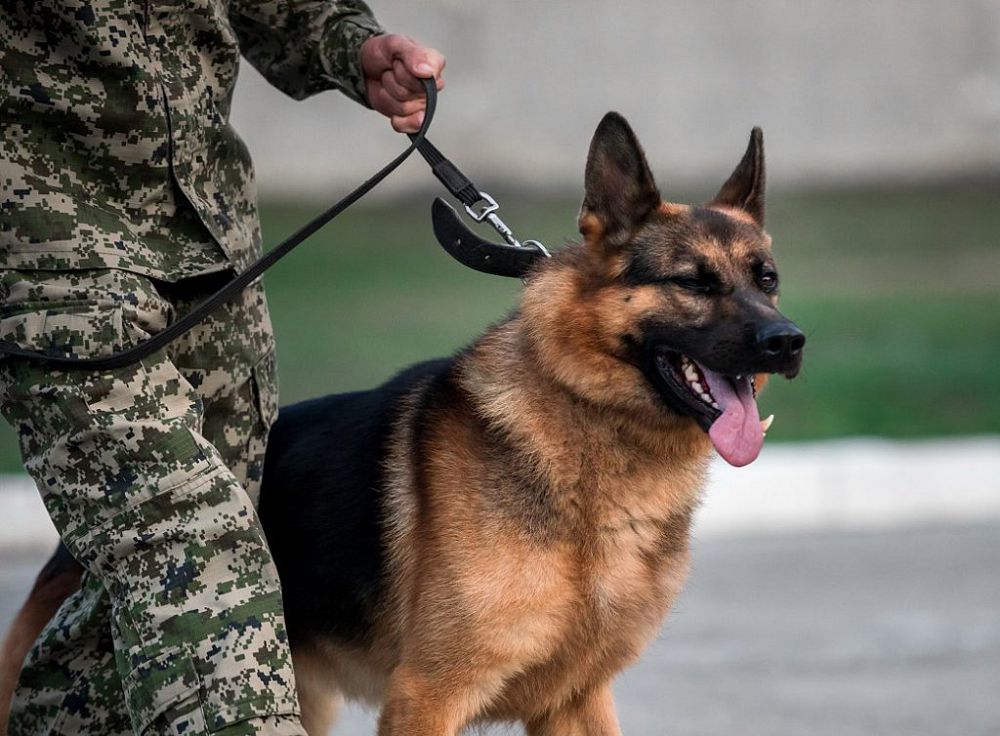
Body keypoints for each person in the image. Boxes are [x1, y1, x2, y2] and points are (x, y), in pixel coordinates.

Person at [0, 1, 444, 733]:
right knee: (201, 558)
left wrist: (348, 45)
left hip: (213, 250)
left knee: (116, 625)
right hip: (54, 260)